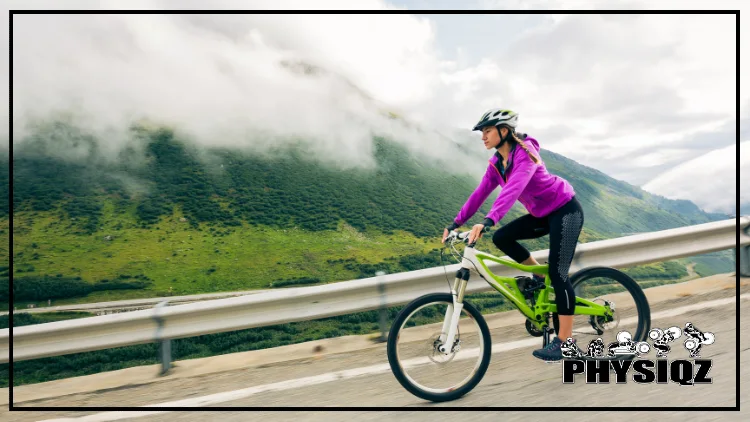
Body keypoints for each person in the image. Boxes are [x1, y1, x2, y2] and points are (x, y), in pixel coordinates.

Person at [441, 108, 585, 362]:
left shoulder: (526, 154)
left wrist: (487, 221)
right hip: (542, 214)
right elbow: (480, 193)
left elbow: (513, 189)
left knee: (558, 272)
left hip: (565, 210)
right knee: (502, 238)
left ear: (504, 131)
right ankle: (538, 279)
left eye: (487, 131)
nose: (483, 137)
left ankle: (564, 341)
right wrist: (456, 222)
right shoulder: (497, 163)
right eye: (482, 132)